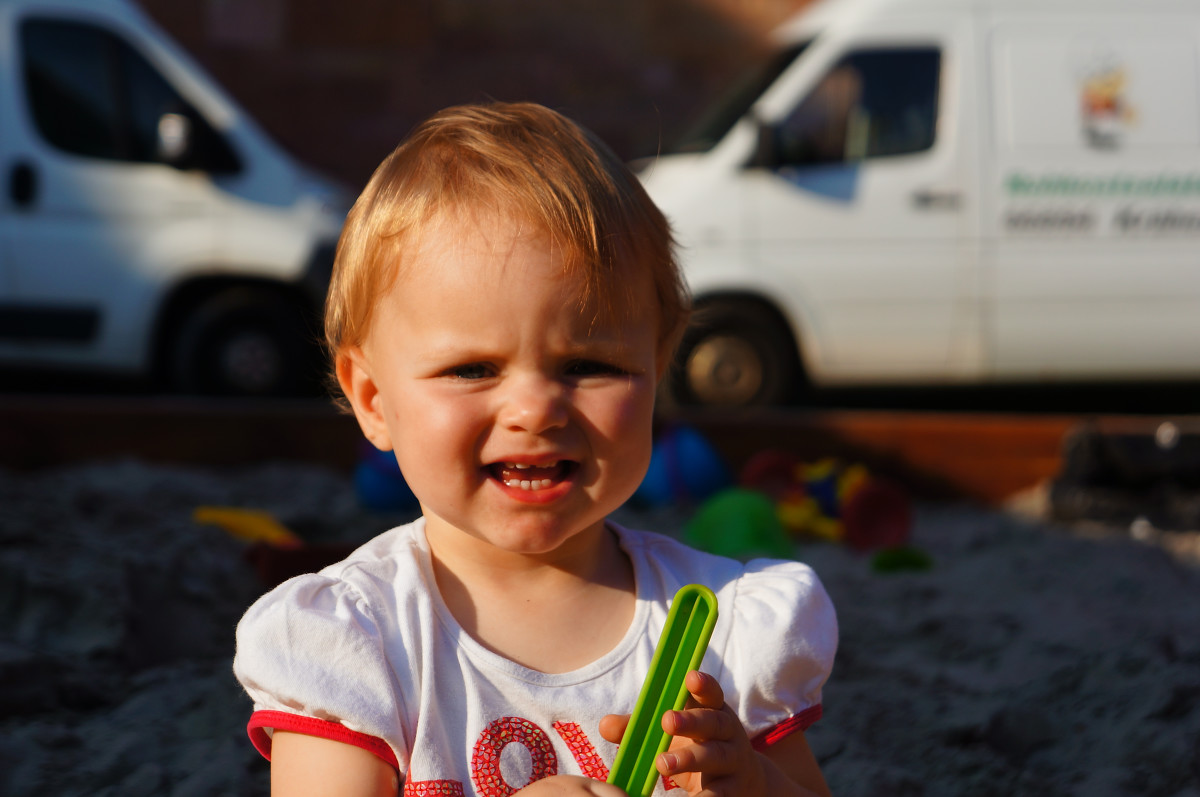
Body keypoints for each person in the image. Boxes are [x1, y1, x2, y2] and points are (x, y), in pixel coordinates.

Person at [233, 102, 838, 797]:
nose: (534, 409)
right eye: (472, 369)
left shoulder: (719, 626)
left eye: (589, 364)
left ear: (657, 369)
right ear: (374, 400)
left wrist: (754, 780)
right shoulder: (359, 640)